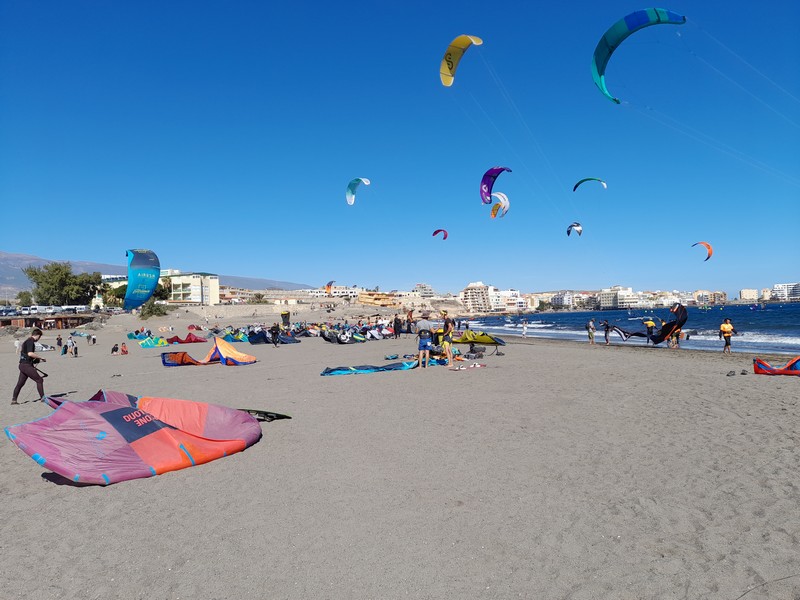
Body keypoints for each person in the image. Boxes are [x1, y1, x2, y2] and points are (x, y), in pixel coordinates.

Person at [11, 328, 46, 405]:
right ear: (37, 335)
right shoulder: (30, 341)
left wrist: (37, 360)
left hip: (23, 365)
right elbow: (30, 354)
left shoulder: (26, 341)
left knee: (20, 383)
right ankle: (43, 398)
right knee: (39, 380)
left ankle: (14, 400)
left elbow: (27, 355)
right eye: (39, 337)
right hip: (26, 365)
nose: (39, 339)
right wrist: (41, 357)